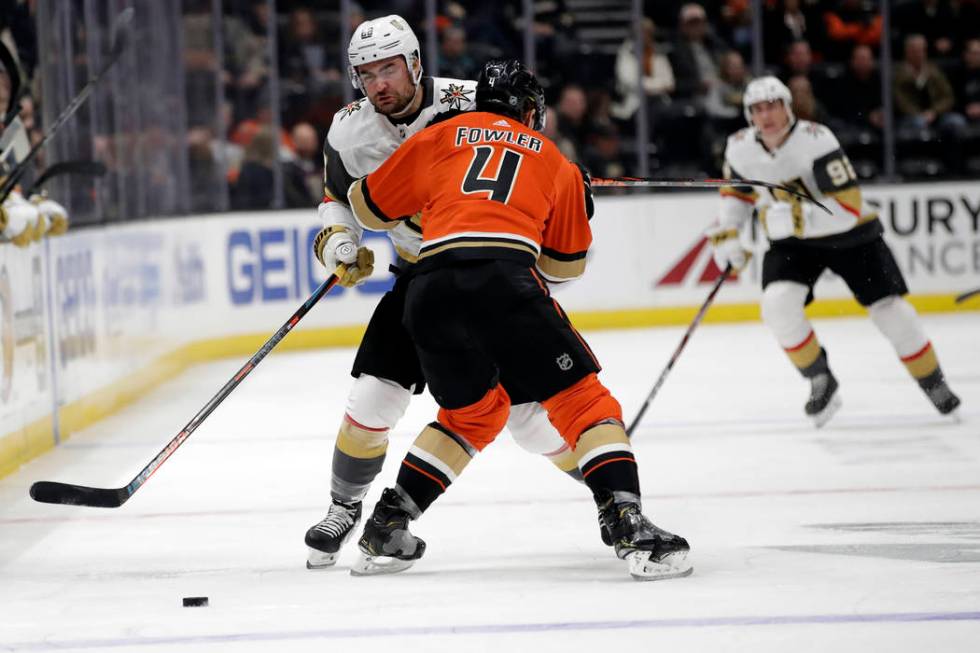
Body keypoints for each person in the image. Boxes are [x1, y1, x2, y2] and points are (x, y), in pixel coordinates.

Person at [345, 59, 692, 581]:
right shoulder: (556, 160)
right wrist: (574, 199)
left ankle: (388, 525)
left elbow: (366, 207)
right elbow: (563, 267)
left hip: (429, 289)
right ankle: (627, 522)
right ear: (530, 110)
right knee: (583, 399)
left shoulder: (440, 135)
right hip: (503, 280)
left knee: (474, 415)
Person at [304, 15, 596, 570]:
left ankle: (604, 487)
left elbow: (527, 146)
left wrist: (566, 180)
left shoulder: (469, 101)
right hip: (421, 276)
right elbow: (336, 198)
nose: (379, 83)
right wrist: (339, 244)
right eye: (366, 74)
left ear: (415, 63)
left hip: (494, 270)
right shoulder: (348, 130)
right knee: (371, 399)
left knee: (531, 421)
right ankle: (344, 508)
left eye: (389, 68)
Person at [706, 76, 961, 427]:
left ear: (788, 107)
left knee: (892, 312)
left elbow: (849, 207)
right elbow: (736, 195)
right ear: (749, 115)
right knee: (777, 305)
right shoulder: (739, 147)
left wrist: (797, 219)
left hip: (851, 236)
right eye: (758, 109)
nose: (766, 115)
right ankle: (819, 378)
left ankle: (934, 382)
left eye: (773, 106)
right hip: (793, 242)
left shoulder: (816, 140)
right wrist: (729, 234)